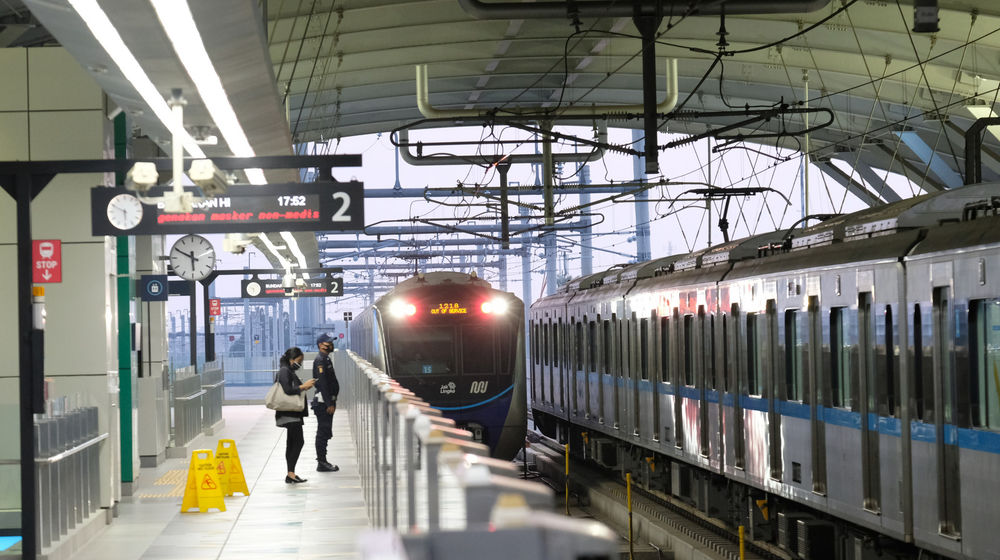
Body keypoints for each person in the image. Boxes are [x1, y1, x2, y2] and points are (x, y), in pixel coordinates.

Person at [275, 346, 316, 483]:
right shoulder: (284, 371)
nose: (300, 364)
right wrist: (304, 386)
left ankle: (290, 473)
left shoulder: (287, 370)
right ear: (292, 359)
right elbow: (287, 389)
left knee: (292, 442)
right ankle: (290, 473)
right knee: (298, 441)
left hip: (291, 413)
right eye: (299, 361)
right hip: (289, 412)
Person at [312, 333, 340, 472]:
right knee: (323, 432)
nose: (331, 345)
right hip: (323, 403)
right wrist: (329, 403)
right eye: (328, 342)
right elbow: (322, 383)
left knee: (326, 431)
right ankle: (321, 462)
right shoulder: (320, 360)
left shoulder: (326, 358)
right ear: (320, 345)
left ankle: (323, 461)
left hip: (327, 402)